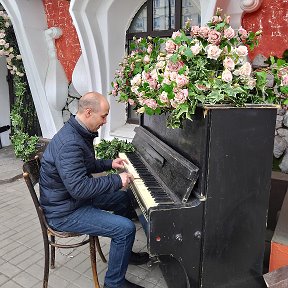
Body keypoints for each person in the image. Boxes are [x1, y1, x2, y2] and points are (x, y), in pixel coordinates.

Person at [39, 92, 149, 288]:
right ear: (89, 112)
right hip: (64, 212)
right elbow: (79, 188)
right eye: (104, 116)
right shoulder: (70, 143)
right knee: (125, 228)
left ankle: (124, 253)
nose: (105, 121)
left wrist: (109, 164)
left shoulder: (78, 132)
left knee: (123, 200)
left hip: (70, 200)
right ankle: (114, 284)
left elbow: (85, 166)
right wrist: (117, 180)